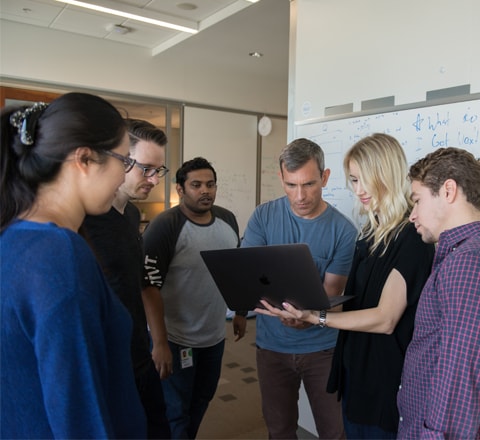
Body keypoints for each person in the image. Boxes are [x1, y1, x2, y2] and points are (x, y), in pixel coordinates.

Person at [255, 133, 435, 439]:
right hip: (355, 368)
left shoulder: (411, 237)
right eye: (353, 180)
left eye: (367, 179)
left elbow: (385, 318)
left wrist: (315, 317)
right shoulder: (370, 233)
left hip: (384, 377)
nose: (360, 190)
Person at [0, 93, 146, 438]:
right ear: (84, 159)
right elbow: (78, 410)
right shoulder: (58, 254)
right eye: (123, 161)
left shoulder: (14, 237)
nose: (123, 177)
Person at [242, 138, 358, 439]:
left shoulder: (343, 231)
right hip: (272, 347)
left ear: (325, 177)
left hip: (323, 349)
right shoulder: (263, 217)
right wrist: (283, 314)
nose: (300, 195)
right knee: (279, 430)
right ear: (281, 177)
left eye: (309, 184)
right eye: (291, 185)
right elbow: (250, 276)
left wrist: (302, 317)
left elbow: (330, 292)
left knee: (334, 430)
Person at [141, 156, 248, 439]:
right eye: (197, 185)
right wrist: (160, 342)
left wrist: (240, 311)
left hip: (213, 336)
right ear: (180, 189)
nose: (205, 191)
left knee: (202, 399)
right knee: (176, 410)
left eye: (210, 184)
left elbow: (234, 271)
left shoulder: (227, 220)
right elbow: (149, 287)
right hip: (176, 339)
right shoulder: (165, 226)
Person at [80, 118, 170, 439]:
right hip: (105, 364)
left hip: (138, 352)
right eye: (145, 168)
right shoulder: (83, 222)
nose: (153, 179)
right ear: (120, 160)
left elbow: (141, 283)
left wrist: (158, 341)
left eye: (158, 170)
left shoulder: (132, 215)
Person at [397, 147, 480, 439]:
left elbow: (460, 371)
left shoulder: (466, 263)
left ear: (448, 191)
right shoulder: (460, 255)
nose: (412, 216)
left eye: (417, 201)